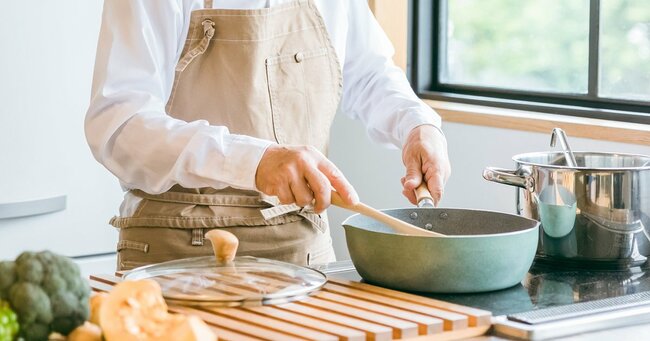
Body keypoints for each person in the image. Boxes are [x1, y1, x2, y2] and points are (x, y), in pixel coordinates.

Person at [85, 0, 451, 270]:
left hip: (305, 260)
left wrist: (416, 125)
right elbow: (118, 124)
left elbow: (369, 73)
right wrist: (255, 161)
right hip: (179, 259)